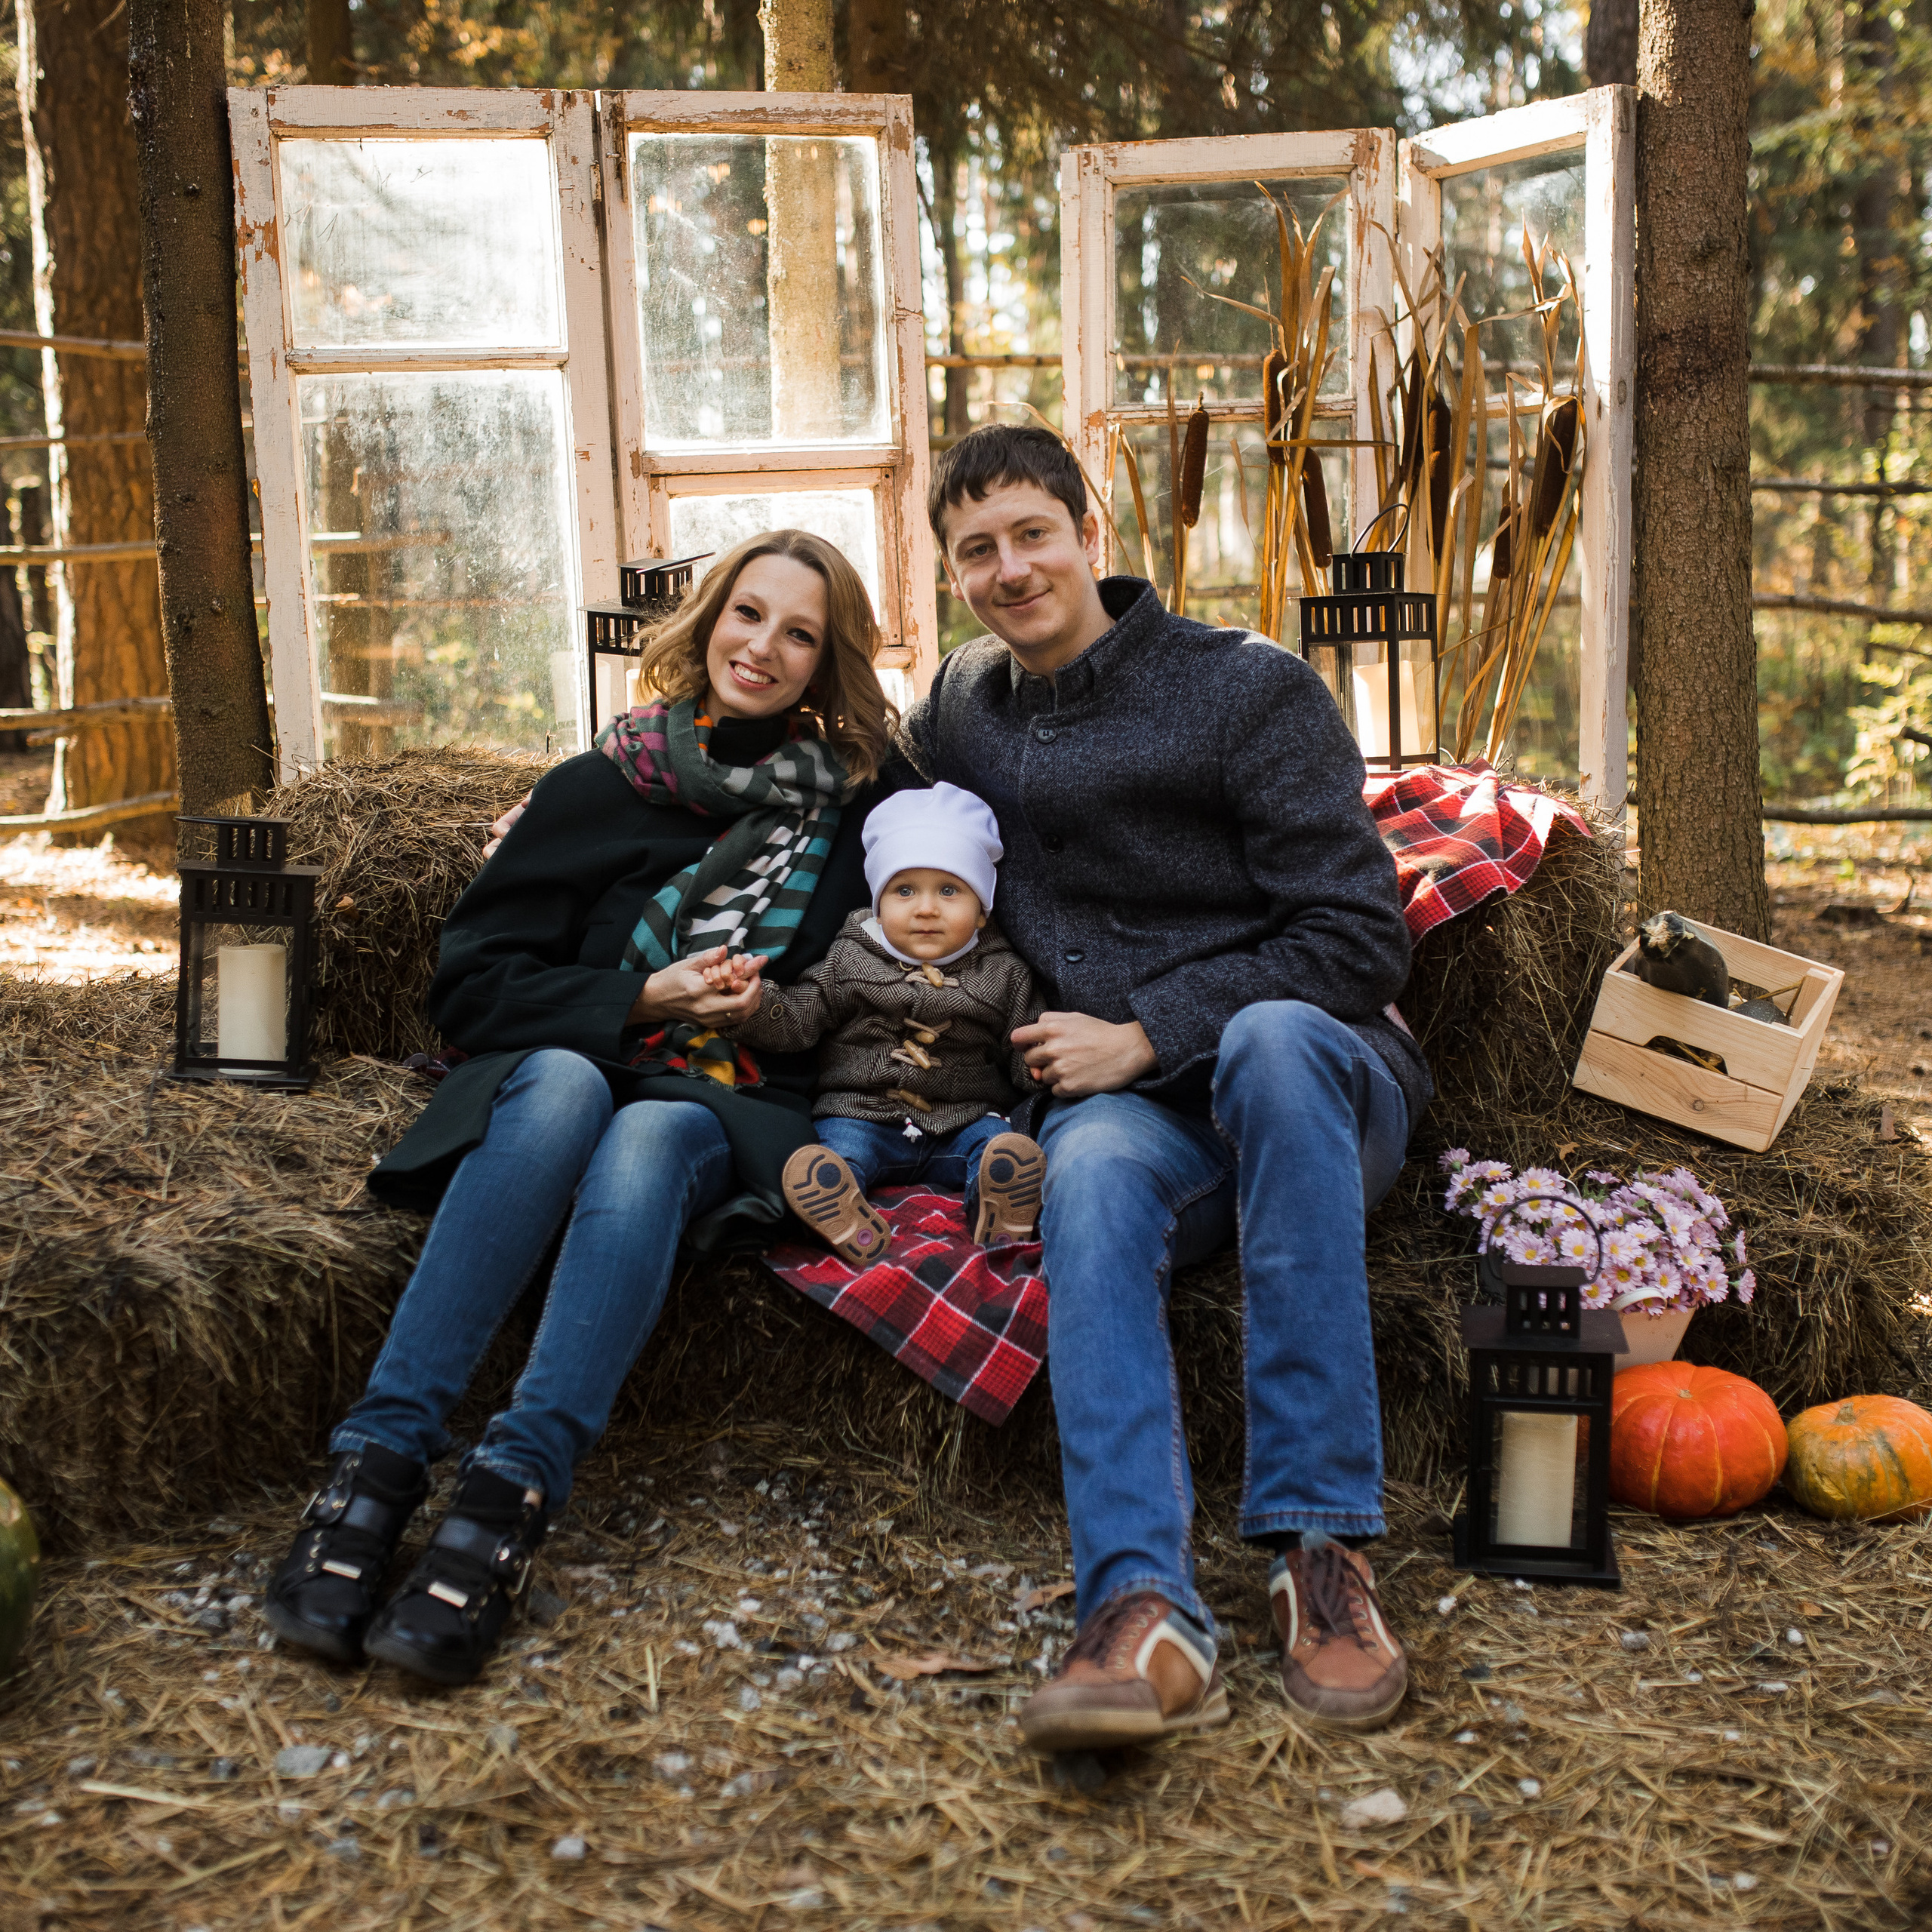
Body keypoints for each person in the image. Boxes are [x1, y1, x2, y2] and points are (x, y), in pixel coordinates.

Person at [263, 529, 917, 1687]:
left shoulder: (856, 815)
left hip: (728, 1096)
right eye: (748, 615)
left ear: (827, 665)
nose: (763, 647)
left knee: (650, 1128)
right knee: (574, 1087)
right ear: (710, 617)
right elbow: (466, 982)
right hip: (562, 1070)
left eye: (801, 634)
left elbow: (966, 822)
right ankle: (375, 1464)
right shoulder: (597, 786)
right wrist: (639, 996)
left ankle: (508, 1496)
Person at [903, 425, 1432, 1750]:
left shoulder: (1248, 690)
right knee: (1082, 1160)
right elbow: (862, 796)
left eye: (1033, 533)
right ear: (954, 574)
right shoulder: (965, 704)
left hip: (1317, 1083)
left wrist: (1143, 1031)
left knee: (1261, 1042)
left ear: (1092, 531)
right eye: (978, 550)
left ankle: (1322, 1553)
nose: (1011, 568)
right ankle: (1138, 1599)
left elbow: (1361, 942)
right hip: (1150, 1130)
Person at [715, 781, 1046, 1263]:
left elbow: (1022, 1045)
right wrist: (754, 1005)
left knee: (997, 1145)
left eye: (950, 890)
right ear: (878, 901)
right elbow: (800, 1019)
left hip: (963, 1119)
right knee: (839, 1152)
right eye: (904, 890)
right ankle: (840, 1209)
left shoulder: (1005, 971)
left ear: (981, 912)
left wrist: (1038, 1066)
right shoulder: (852, 957)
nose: (926, 908)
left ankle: (995, 1211)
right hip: (861, 1113)